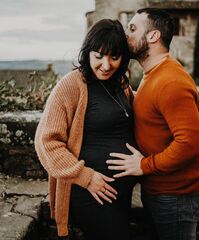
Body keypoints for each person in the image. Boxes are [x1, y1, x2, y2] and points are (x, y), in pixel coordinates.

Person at [106, 8, 199, 240]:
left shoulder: (171, 81)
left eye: (132, 28)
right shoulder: (154, 74)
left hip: (176, 198)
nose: (125, 35)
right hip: (161, 193)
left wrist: (144, 166)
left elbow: (191, 144)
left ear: (153, 36)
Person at [34, 19, 137, 240]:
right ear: (87, 53)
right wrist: (85, 177)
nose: (106, 65)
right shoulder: (72, 85)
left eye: (114, 57)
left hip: (119, 193)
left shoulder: (121, 84)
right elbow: (46, 142)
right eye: (98, 56)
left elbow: (145, 111)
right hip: (90, 192)